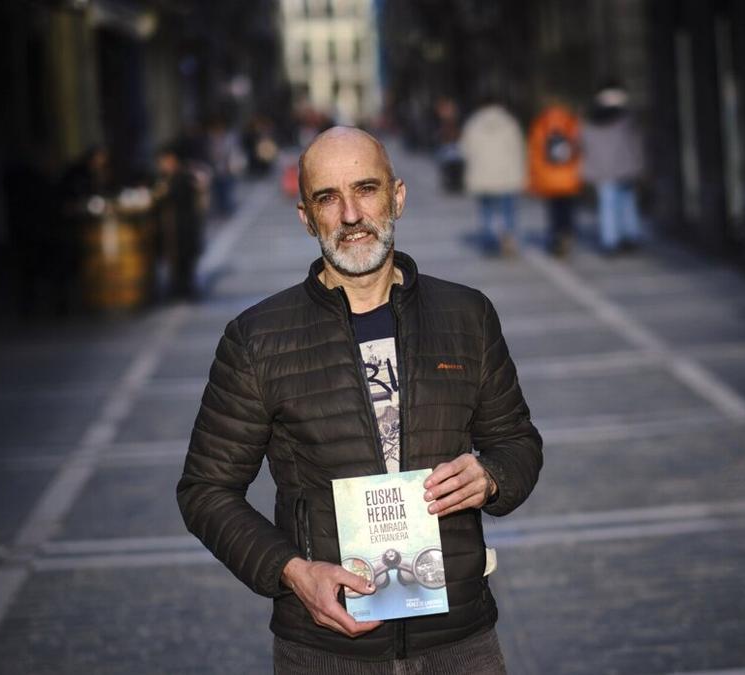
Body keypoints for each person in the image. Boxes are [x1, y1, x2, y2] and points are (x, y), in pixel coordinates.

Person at [177, 127, 542, 673]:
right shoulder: (257, 339)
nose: (350, 214)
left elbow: (517, 443)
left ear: (397, 196)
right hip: (325, 648)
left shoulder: (467, 316)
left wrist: (490, 476)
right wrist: (291, 571)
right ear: (306, 217)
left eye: (365, 189)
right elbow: (205, 489)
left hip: (460, 640)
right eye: (328, 197)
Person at [459, 98, 527, 256]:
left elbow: (464, 150)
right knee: (508, 210)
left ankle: (490, 242)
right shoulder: (510, 123)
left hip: (482, 176)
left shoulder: (473, 124)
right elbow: (518, 149)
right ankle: (508, 237)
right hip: (507, 176)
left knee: (486, 211)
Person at [583, 84, 645, 254]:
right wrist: (639, 164)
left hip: (602, 170)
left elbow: (585, 145)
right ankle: (630, 237)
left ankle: (610, 241)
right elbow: (635, 144)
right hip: (624, 167)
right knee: (627, 204)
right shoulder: (626, 118)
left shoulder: (591, 119)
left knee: (607, 207)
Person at [527, 98, 583, 257]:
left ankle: (556, 236)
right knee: (568, 209)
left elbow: (535, 153)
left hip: (548, 178)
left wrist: (534, 178)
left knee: (553, 211)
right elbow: (580, 148)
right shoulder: (571, 123)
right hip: (569, 177)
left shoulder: (540, 124)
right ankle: (567, 234)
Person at [151, 145, 204, 300]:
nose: (162, 165)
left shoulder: (182, 177)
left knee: (184, 260)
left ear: (172, 160)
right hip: (176, 227)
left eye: (164, 161)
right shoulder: (168, 177)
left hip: (183, 226)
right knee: (177, 261)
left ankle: (184, 289)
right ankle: (179, 288)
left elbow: (172, 196)